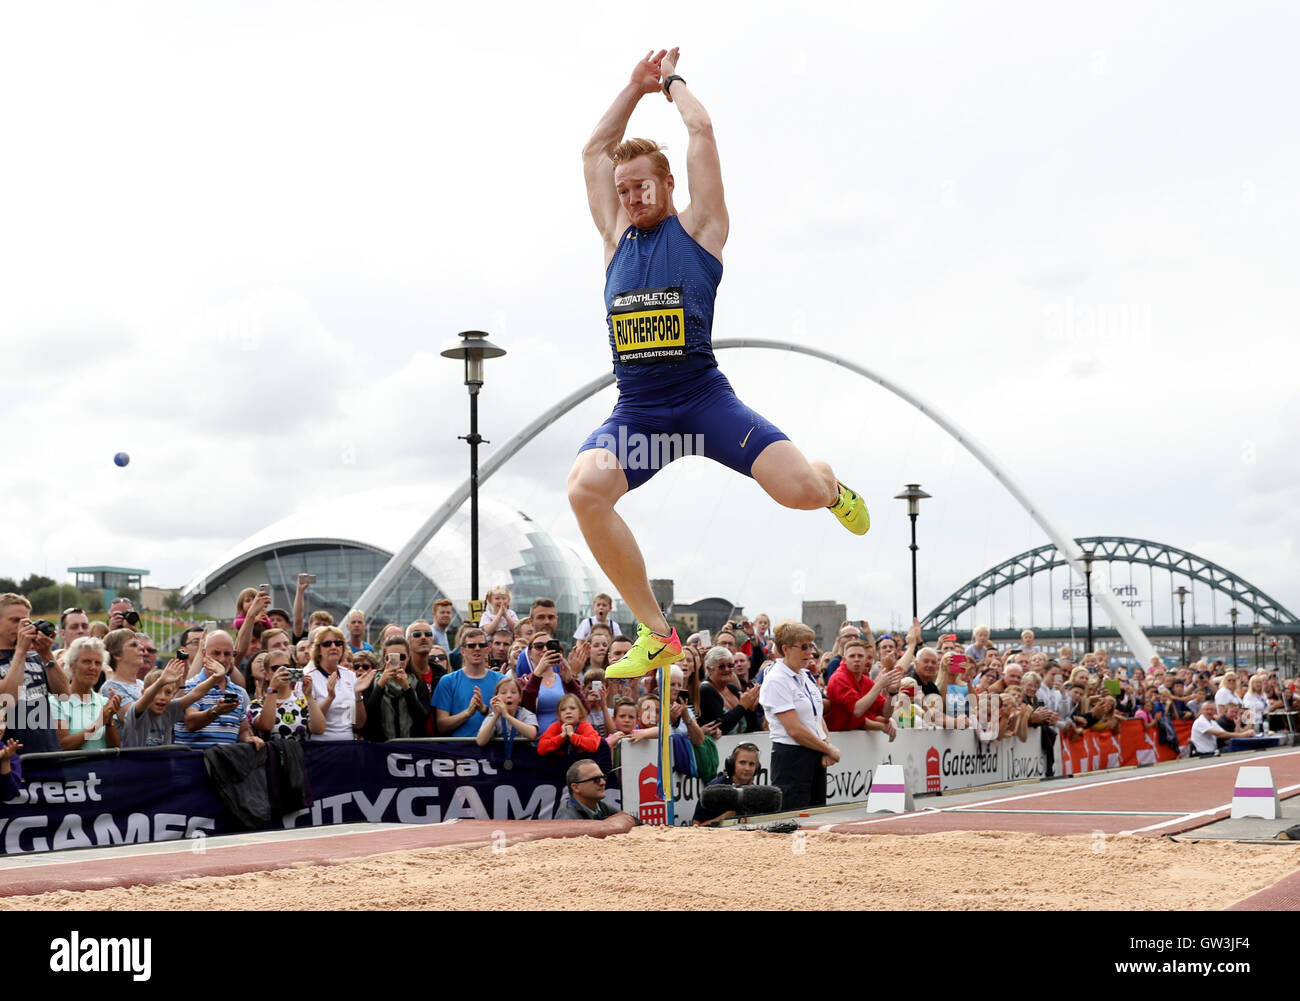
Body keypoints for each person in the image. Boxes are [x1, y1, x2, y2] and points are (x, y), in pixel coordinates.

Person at [571, 48, 870, 683]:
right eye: (622, 191)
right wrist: (630, 88)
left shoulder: (702, 227)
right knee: (584, 490)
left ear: (669, 182)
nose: (629, 196)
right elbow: (595, 152)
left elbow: (701, 131)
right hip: (642, 415)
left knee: (799, 493)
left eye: (641, 185)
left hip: (705, 402)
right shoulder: (613, 238)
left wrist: (671, 86)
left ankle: (831, 486)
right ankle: (658, 634)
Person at [758, 620, 840, 811]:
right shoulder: (777, 679)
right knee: (793, 817)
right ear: (785, 649)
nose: (809, 652)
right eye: (803, 647)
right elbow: (794, 730)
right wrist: (827, 749)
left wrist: (824, 744)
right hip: (791, 757)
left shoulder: (805, 676)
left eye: (811, 646)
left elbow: (816, 716)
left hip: (813, 750)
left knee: (817, 813)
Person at [0, 592, 71, 752]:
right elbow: (7, 699)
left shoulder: (35, 658)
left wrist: (46, 654)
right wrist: (20, 652)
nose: (24, 626)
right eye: (15, 620)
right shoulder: (21, 655)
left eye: (26, 621)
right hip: (13, 760)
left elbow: (64, 694)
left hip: (48, 754)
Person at [175, 629, 265, 751]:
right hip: (194, 765)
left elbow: (243, 729)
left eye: (227, 654)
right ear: (203, 654)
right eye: (216, 653)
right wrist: (216, 711)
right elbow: (191, 723)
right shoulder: (189, 686)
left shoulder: (239, 692)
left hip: (225, 765)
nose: (222, 659)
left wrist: (249, 738)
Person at [120, 660, 223, 748]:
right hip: (135, 768)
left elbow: (195, 693)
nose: (162, 697)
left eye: (168, 692)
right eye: (157, 691)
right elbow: (146, 697)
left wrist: (216, 677)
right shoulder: (137, 711)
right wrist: (161, 681)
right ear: (143, 693)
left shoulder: (169, 709)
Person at [51, 636, 122, 751]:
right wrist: (98, 724)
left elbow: (114, 747)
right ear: (72, 666)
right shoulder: (57, 701)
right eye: (86, 661)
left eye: (98, 663)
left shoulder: (104, 702)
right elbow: (63, 745)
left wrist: (109, 722)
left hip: (102, 768)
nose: (93, 667)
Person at [303, 626, 372, 742]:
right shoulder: (308, 677)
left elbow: (358, 725)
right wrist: (330, 698)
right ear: (318, 650)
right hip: (320, 745)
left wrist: (358, 695)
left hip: (348, 745)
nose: (333, 647)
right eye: (327, 643)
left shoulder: (350, 675)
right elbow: (313, 727)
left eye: (338, 643)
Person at [432, 627, 504, 737]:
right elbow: (441, 726)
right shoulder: (447, 681)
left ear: (488, 649)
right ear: (462, 651)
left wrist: (484, 710)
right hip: (458, 749)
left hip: (493, 749)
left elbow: (508, 721)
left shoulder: (501, 680)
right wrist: (467, 713)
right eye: (471, 646)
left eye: (481, 645)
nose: (477, 649)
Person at [825, 638, 901, 739]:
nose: (856, 659)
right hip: (837, 739)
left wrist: (892, 694)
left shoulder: (866, 680)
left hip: (853, 739)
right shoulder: (838, 678)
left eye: (860, 656)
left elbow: (886, 714)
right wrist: (879, 685)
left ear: (866, 660)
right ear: (844, 660)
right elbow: (857, 710)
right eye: (852, 656)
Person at [360, 637, 431, 741]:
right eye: (391, 657)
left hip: (411, 746)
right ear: (385, 658)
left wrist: (407, 688)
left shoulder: (418, 683)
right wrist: (381, 684)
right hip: (379, 746)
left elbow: (422, 718)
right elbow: (368, 715)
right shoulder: (372, 681)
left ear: (408, 658)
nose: (397, 662)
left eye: (402, 657)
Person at [250, 649, 327, 740]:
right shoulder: (256, 705)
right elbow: (266, 726)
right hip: (271, 753)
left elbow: (319, 729)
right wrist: (273, 689)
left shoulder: (303, 702)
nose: (282, 671)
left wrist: (309, 696)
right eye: (276, 668)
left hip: (300, 752)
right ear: (266, 675)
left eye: (286, 667)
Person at [520, 635, 582, 734]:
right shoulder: (523, 681)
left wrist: (570, 681)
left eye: (549, 646)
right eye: (539, 646)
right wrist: (537, 675)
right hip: (536, 743)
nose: (545, 650)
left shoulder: (564, 678)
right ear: (529, 653)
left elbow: (584, 709)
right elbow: (525, 709)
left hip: (566, 741)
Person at [693, 742, 762, 826]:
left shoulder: (755, 791)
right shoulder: (714, 790)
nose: (747, 768)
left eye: (751, 764)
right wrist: (725, 817)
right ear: (732, 764)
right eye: (742, 763)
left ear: (757, 768)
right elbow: (696, 826)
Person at [698, 645, 761, 735]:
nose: (727, 669)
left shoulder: (733, 688)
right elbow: (720, 727)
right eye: (721, 666)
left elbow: (750, 728)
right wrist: (743, 706)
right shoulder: (705, 690)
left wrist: (751, 710)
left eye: (730, 665)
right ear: (709, 669)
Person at [554, 759, 628, 821]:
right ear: (575, 787)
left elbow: (630, 820)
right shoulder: (568, 818)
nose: (603, 782)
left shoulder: (599, 806)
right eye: (596, 779)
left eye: (603, 777)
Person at [475, 675, 539, 747]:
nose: (509, 695)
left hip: (522, 755)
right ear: (496, 697)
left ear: (520, 697)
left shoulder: (526, 714)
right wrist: (495, 716)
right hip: (499, 756)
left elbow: (532, 734)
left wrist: (507, 716)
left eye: (513, 692)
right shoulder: (493, 716)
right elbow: (480, 741)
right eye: (503, 693)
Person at [537, 694, 603, 758]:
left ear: (580, 713)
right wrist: (561, 736)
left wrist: (572, 736)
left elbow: (593, 746)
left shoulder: (585, 726)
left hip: (581, 762)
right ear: (559, 715)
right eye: (563, 709)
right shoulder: (555, 726)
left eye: (572, 708)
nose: (568, 712)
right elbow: (541, 749)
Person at [101, 628, 146, 709]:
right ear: (117, 654)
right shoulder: (111, 687)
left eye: (140, 644)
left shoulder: (142, 683)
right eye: (134, 645)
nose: (142, 647)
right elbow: (132, 716)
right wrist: (160, 682)